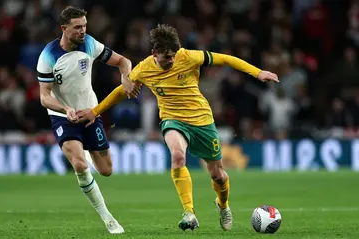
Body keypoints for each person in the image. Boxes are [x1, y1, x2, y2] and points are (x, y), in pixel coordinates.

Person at [76, 24, 279, 231]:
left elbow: (226, 59)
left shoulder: (189, 56)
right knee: (178, 156)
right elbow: (121, 91)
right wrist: (95, 111)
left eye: (174, 55)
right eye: (167, 57)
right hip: (172, 120)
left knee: (218, 174)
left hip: (201, 119)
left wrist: (258, 72)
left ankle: (223, 205)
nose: (172, 60)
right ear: (155, 53)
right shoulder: (144, 68)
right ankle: (189, 213)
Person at [36, 6, 138, 234]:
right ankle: (108, 218)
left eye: (84, 26)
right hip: (64, 117)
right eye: (77, 27)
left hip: (91, 113)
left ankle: (84, 158)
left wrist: (126, 78)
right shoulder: (48, 56)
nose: (83, 31)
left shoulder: (90, 44)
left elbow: (123, 61)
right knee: (81, 165)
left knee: (106, 170)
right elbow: (44, 96)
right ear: (64, 28)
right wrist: (65, 109)